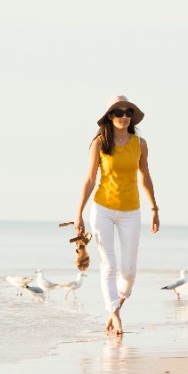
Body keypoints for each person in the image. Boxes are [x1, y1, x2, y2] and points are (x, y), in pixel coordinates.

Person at [75, 95, 160, 337]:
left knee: (129, 271)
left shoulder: (140, 144)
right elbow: (90, 179)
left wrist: (154, 208)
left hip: (131, 211)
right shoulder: (100, 143)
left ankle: (116, 304)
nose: (124, 116)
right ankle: (115, 314)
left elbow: (145, 177)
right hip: (102, 208)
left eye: (128, 112)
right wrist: (79, 212)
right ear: (110, 117)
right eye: (119, 112)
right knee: (109, 265)